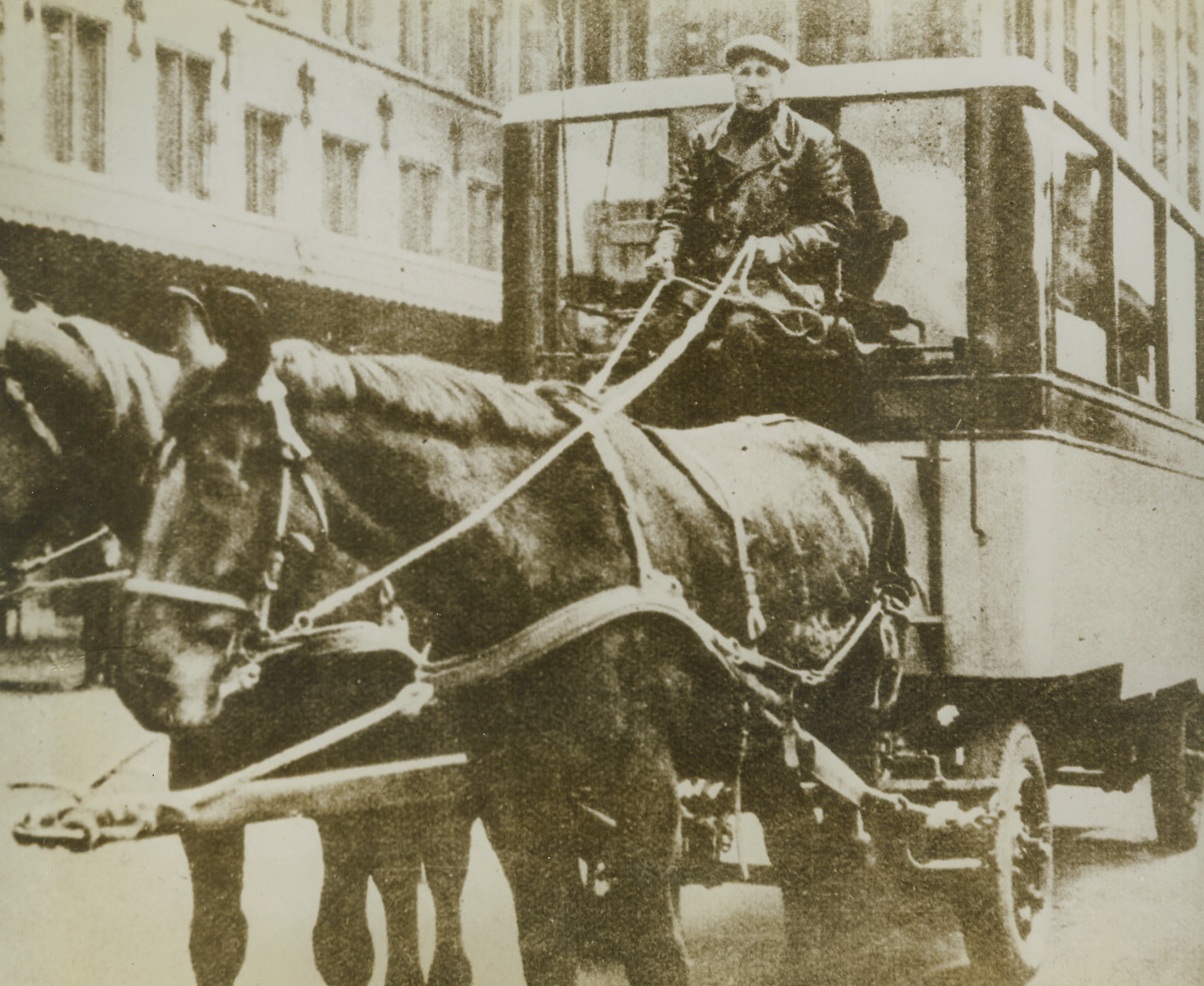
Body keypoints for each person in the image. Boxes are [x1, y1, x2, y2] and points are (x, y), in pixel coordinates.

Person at [642, 34, 859, 426]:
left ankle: (746, 443)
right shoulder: (704, 139)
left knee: (744, 334)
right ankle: (668, 439)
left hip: (787, 284)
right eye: (744, 73)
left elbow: (840, 224)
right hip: (714, 280)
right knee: (664, 330)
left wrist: (782, 245)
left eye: (764, 73)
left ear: (781, 82)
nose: (753, 82)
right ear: (732, 79)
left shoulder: (811, 140)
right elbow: (677, 208)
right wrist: (665, 246)